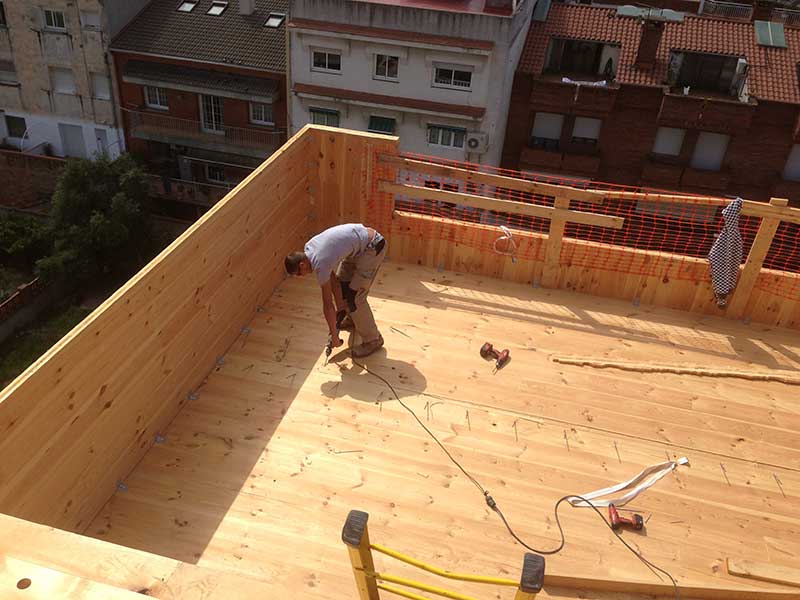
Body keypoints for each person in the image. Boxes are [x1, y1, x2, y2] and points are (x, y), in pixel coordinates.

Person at [285, 223, 386, 358]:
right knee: (345, 288)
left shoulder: (320, 263)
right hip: (357, 249)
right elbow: (334, 282)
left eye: (298, 273)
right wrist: (341, 309)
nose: (301, 276)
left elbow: (327, 305)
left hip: (372, 248)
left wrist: (334, 336)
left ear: (302, 265)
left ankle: (373, 340)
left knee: (354, 298)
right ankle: (352, 318)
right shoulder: (309, 248)